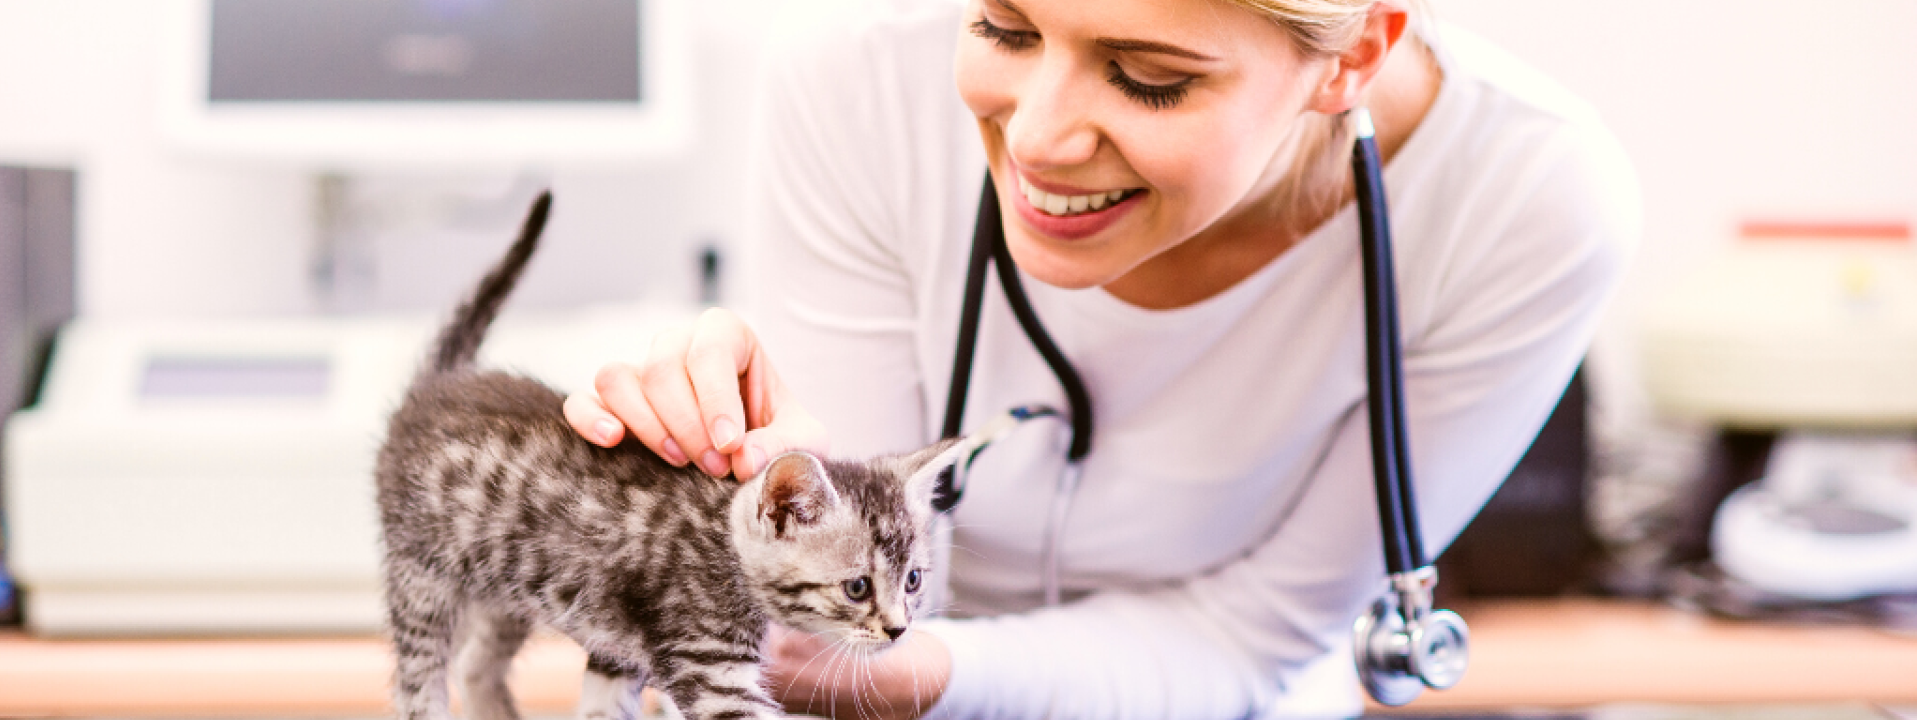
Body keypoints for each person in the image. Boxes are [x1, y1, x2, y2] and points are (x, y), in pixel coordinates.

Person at [564, 0, 1638, 716]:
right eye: (1004, 26)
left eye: (1147, 78)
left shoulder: (1526, 199)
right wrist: (700, 495)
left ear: (1355, 54)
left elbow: (1250, 635)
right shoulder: (856, 82)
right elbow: (833, 619)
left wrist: (927, 675)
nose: (1036, 139)